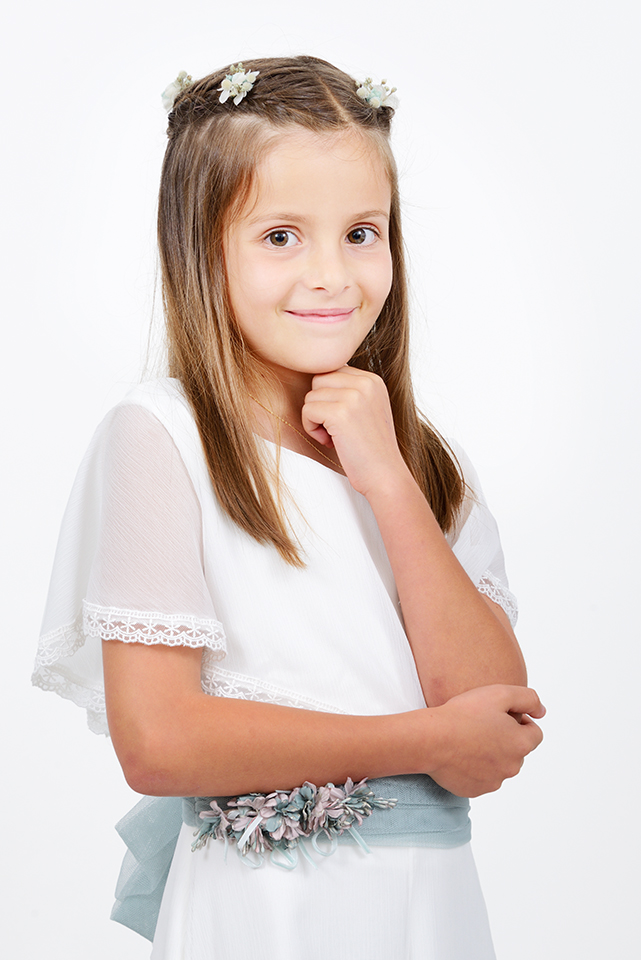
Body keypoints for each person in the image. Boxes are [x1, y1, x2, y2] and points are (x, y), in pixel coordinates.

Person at [33, 56, 544, 960]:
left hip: (429, 910)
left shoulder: (423, 464)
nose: (331, 276)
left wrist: (389, 482)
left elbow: (490, 719)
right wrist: (425, 740)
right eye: (280, 237)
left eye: (361, 233)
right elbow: (160, 742)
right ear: (201, 248)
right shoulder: (165, 436)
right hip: (263, 913)